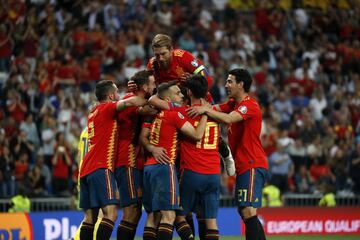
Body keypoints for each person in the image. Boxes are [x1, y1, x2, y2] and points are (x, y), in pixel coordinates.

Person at [187, 68, 268, 240]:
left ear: (241, 84)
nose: (226, 85)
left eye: (230, 81)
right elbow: (212, 108)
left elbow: (228, 119)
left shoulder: (249, 105)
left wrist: (206, 110)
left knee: (248, 210)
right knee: (244, 210)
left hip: (253, 163)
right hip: (243, 165)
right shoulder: (233, 104)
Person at [79, 80, 147, 240]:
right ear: (110, 95)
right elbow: (131, 102)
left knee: (90, 218)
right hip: (101, 167)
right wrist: (150, 99)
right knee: (111, 215)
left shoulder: (93, 111)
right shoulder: (107, 108)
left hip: (86, 169)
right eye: (117, 92)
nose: (119, 95)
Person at [140, 81, 208, 240]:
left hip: (149, 168)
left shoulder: (153, 114)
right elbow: (197, 135)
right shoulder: (175, 114)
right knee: (169, 216)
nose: (182, 95)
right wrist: (205, 114)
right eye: (177, 93)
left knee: (152, 216)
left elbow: (143, 136)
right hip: (164, 166)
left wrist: (151, 148)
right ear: (168, 98)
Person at [115, 70, 157, 240]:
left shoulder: (135, 98)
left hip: (136, 161)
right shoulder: (129, 100)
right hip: (127, 161)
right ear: (145, 86)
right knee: (131, 211)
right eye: (153, 83)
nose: (155, 86)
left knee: (136, 212)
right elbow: (150, 108)